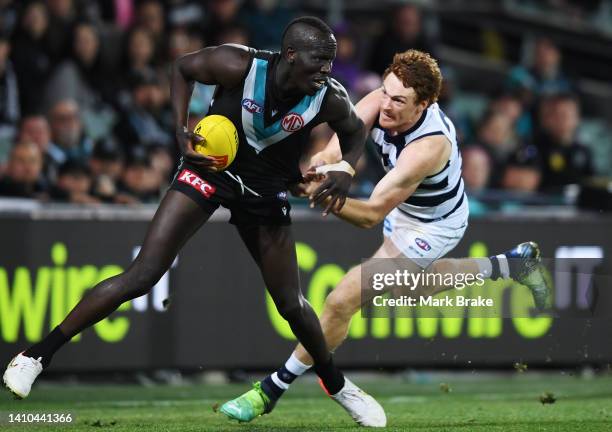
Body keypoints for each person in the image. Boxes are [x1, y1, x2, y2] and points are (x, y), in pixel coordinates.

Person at [3, 15, 385, 425]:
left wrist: (345, 170)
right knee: (143, 275)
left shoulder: (328, 97)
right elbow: (182, 68)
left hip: (265, 190)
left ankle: (337, 384)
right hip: (209, 172)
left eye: (331, 61)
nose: (328, 68)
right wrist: (180, 131)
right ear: (290, 54)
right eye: (320, 59)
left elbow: (355, 130)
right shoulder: (238, 64)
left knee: (291, 304)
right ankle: (34, 356)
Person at [221, 50, 551, 426]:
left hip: (434, 225)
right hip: (402, 209)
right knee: (409, 290)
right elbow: (337, 146)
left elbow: (370, 215)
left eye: (400, 101)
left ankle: (270, 389)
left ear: (424, 104)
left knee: (341, 300)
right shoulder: (381, 99)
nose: (387, 106)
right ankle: (510, 264)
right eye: (386, 92)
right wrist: (318, 169)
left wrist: (315, 192)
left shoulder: (430, 145)